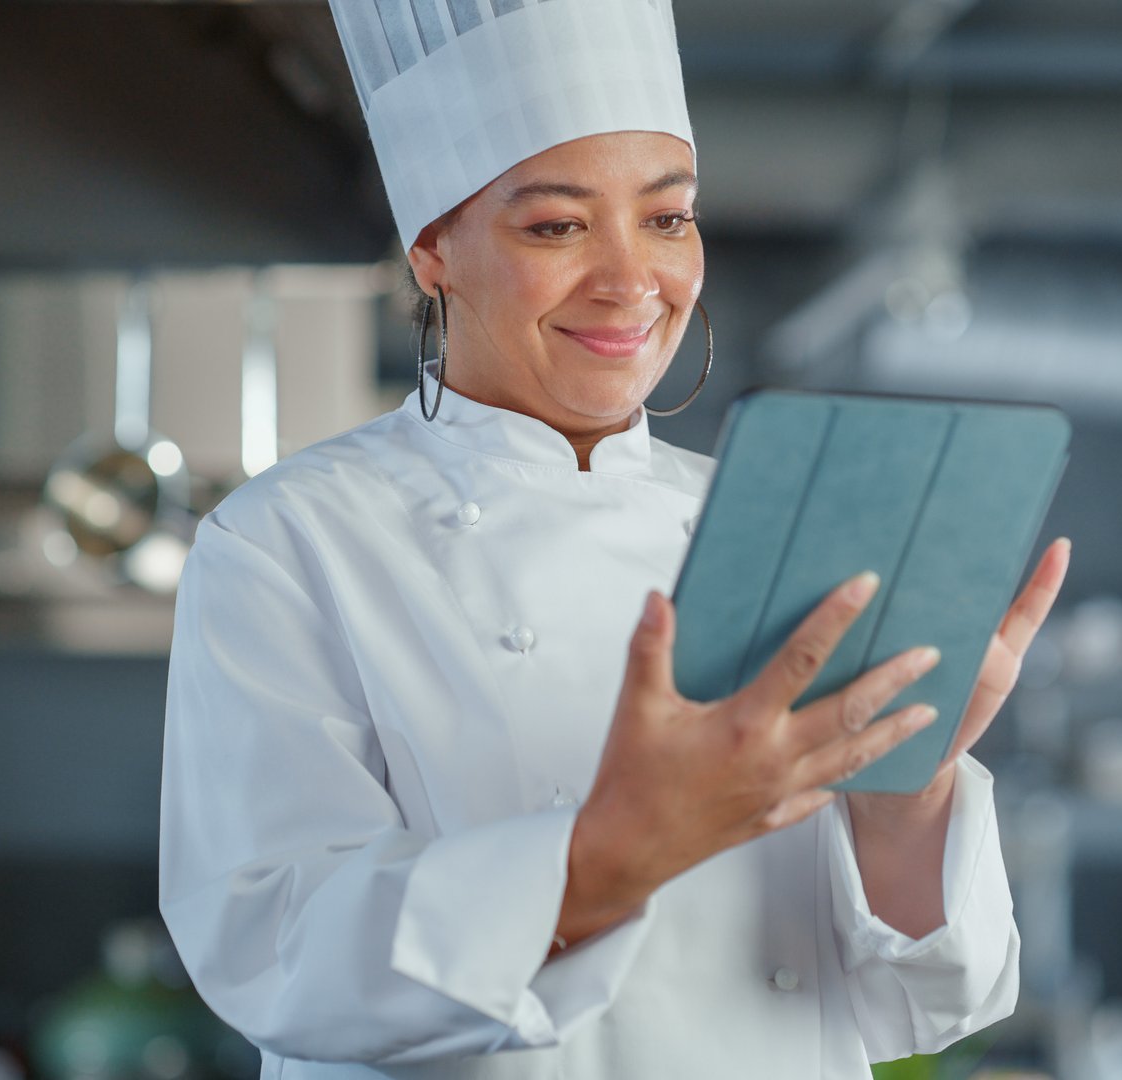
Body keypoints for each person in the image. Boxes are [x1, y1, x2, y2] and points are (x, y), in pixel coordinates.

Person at [158, 2, 1072, 1077]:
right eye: (557, 226)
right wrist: (608, 858)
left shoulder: (770, 517)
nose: (633, 280)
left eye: (668, 218)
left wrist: (907, 785)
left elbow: (922, 1009)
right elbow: (276, 954)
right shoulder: (290, 540)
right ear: (434, 248)